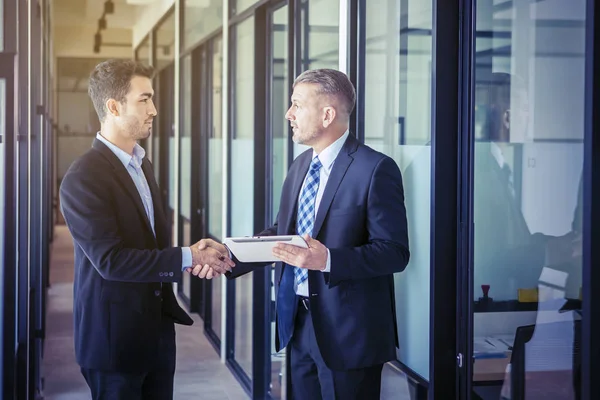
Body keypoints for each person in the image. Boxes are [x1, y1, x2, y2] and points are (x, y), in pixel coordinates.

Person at [222, 68, 410, 399]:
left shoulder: (375, 169)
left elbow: (394, 251)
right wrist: (230, 255)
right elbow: (282, 233)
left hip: (349, 335)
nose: (288, 114)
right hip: (297, 324)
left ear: (327, 114)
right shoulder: (300, 166)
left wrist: (328, 260)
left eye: (296, 104)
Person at [59, 59, 234, 400]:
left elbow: (148, 244)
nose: (154, 109)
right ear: (113, 106)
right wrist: (187, 256)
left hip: (155, 333)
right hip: (114, 343)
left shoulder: (141, 164)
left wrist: (190, 253)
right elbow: (111, 261)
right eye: (144, 99)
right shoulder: (83, 177)